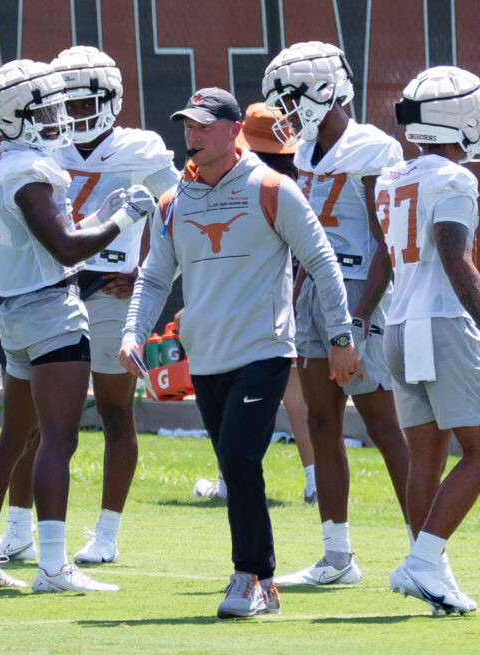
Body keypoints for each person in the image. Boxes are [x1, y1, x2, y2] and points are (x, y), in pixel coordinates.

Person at [117, 87, 359, 618]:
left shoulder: (273, 188)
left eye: (204, 126)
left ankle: (247, 577)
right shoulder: (174, 201)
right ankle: (265, 586)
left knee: (241, 459)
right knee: (233, 459)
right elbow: (155, 276)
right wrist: (134, 333)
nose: (193, 136)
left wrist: (341, 338)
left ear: (233, 132)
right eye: (187, 127)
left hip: (264, 352)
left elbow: (322, 262)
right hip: (205, 359)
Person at [0, 46, 180, 567]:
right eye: (59, 107)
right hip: (56, 288)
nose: (67, 117)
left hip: (103, 288)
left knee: (110, 412)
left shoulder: (137, 148)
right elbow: (63, 241)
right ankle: (25, 537)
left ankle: (104, 533)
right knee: (41, 428)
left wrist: (146, 272)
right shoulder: (29, 158)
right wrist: (121, 218)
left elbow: (178, 214)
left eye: (80, 105)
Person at [261, 41, 410, 586]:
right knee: (322, 421)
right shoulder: (301, 153)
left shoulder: (371, 148)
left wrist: (362, 316)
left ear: (325, 91)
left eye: (291, 97)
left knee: (382, 424)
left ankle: (426, 548)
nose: (285, 110)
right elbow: (305, 240)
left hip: (357, 293)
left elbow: (385, 246)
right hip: (313, 294)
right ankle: (337, 556)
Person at [377, 65, 480, 614]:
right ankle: (422, 561)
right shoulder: (455, 179)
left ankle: (430, 570)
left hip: (399, 325)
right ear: (458, 119)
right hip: (441, 324)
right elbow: (456, 260)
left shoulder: (395, 175)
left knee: (426, 459)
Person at [191, 101, 317, 504]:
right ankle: (315, 479)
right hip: (297, 288)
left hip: (268, 295)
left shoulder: (253, 183)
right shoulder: (295, 176)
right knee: (296, 389)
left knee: (266, 385)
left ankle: (231, 479)